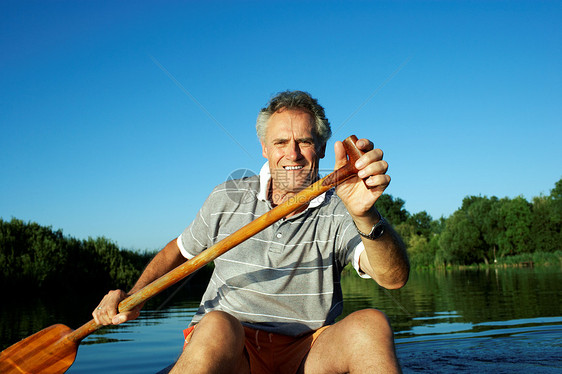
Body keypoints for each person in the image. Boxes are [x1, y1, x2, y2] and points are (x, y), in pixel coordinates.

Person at [93, 90, 410, 373]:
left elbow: (393, 278)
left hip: (307, 353)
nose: (293, 153)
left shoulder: (341, 209)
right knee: (216, 324)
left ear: (323, 147)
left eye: (305, 141)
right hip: (233, 348)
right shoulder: (226, 197)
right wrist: (136, 295)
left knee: (371, 324)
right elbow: (179, 250)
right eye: (281, 142)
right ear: (264, 149)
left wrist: (365, 214)